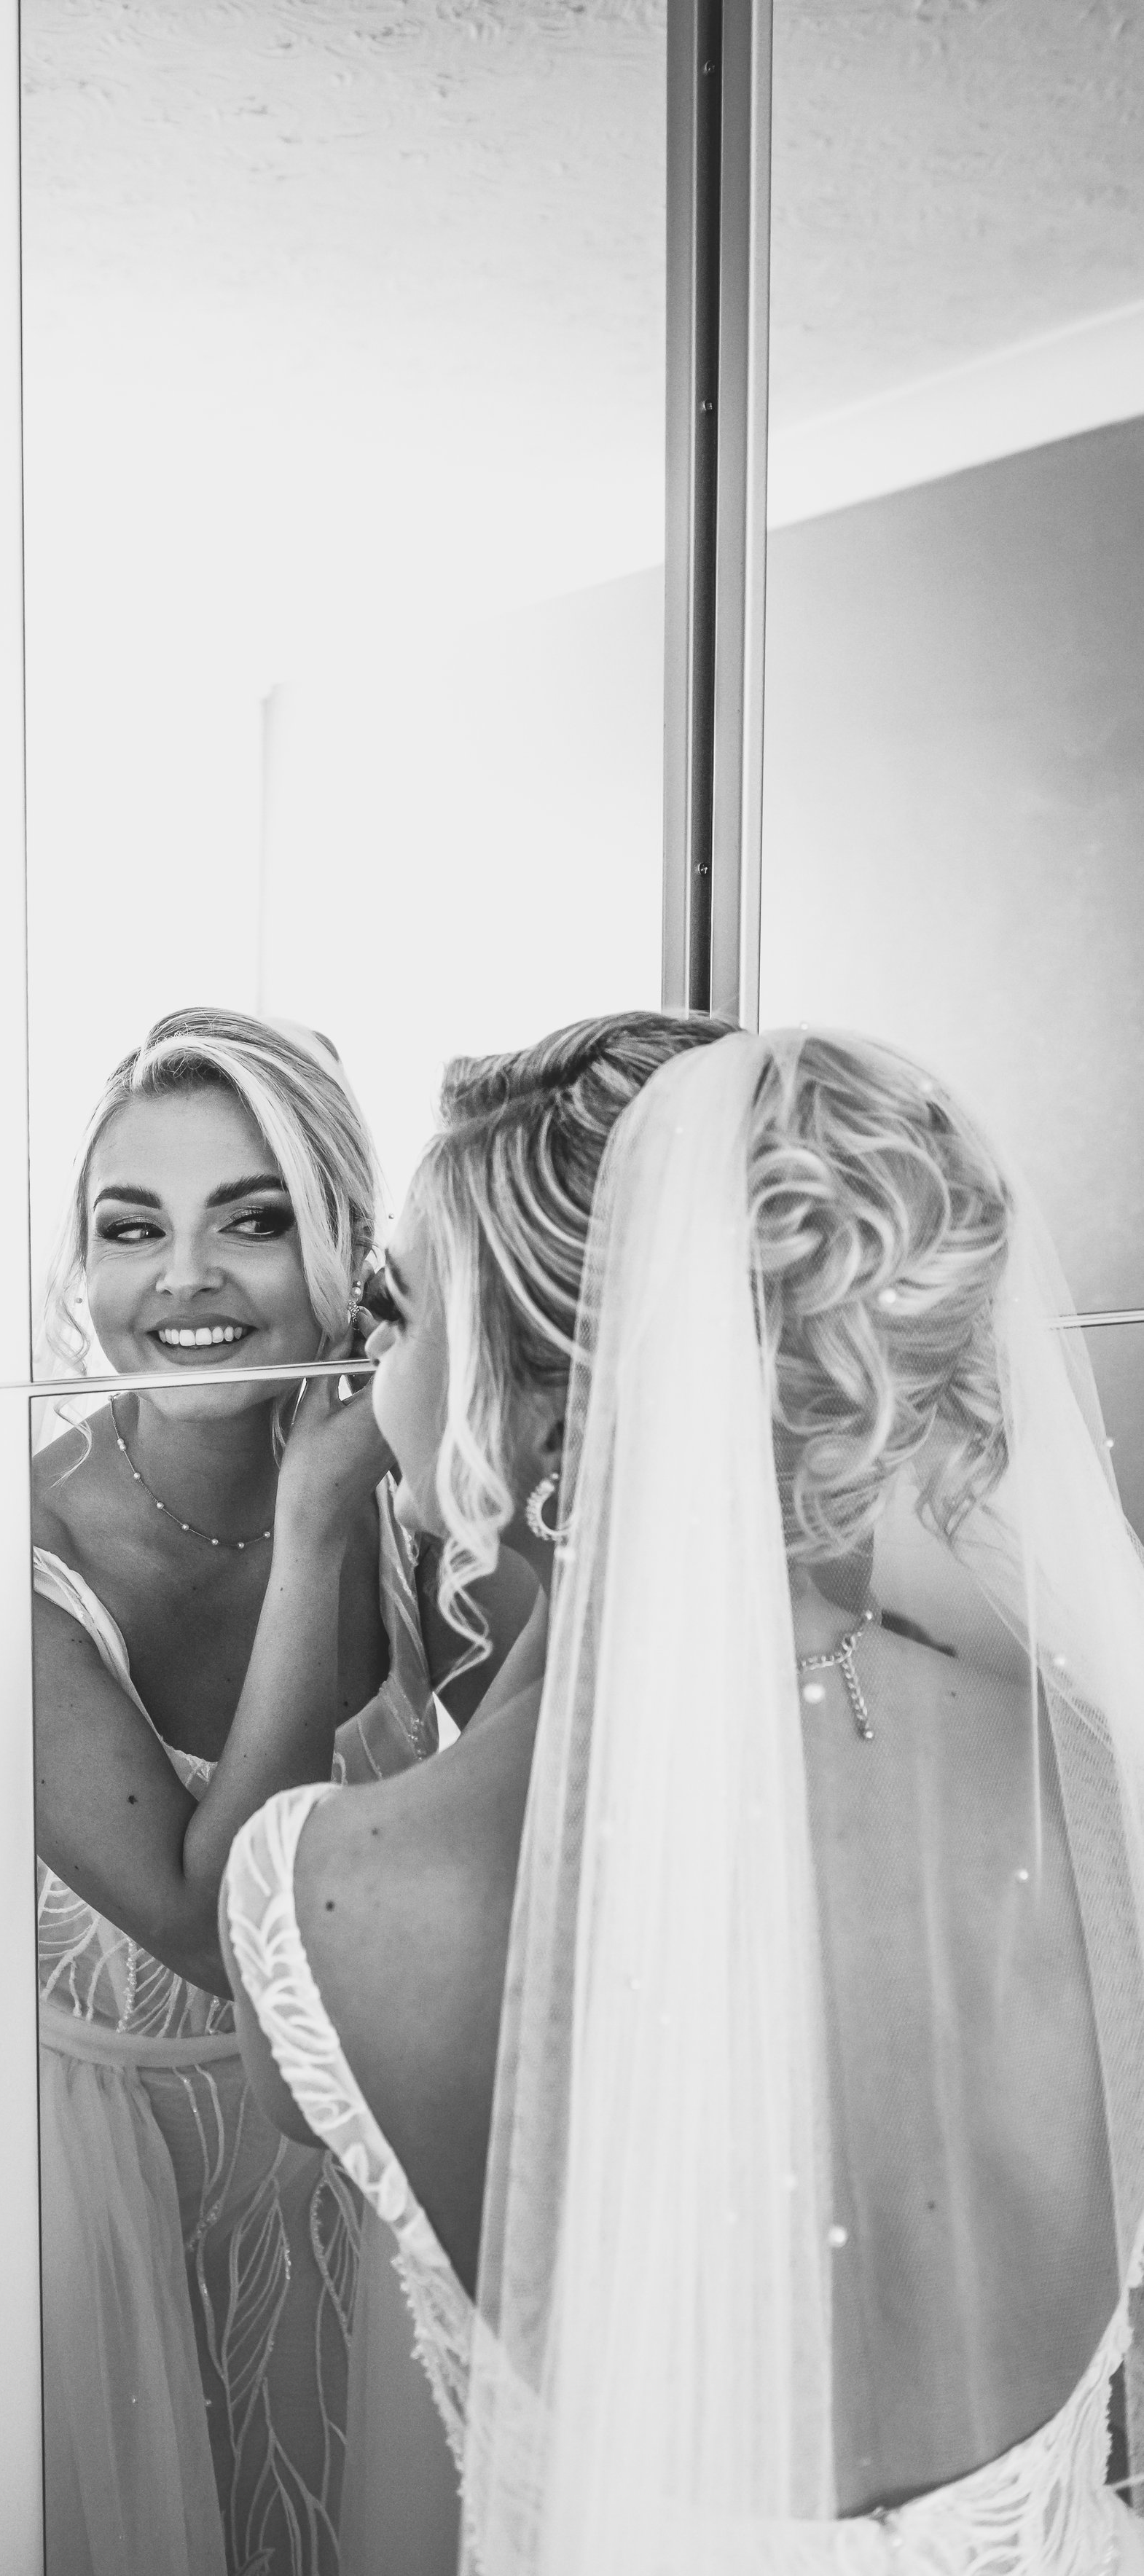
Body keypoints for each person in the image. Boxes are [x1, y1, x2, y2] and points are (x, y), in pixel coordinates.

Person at [224, 1017, 1144, 2572]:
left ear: (525, 1416)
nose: (370, 1355)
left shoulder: (333, 1887)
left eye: (406, 1309)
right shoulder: (1083, 1768)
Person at [34, 1006, 534, 2576]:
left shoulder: (420, 1498)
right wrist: (319, 1523)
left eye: (248, 1221)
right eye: (134, 1229)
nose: (180, 1277)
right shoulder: (8, 1556)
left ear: (342, 1257)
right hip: (110, 2184)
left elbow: (563, 1764)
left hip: (367, 2151)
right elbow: (212, 1925)